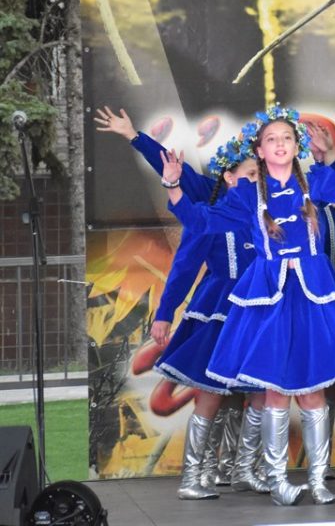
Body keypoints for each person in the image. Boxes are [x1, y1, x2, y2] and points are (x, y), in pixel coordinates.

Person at [161, 106, 335, 506]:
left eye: (287, 139)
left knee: (312, 391)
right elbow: (200, 220)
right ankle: (277, 481)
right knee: (275, 391)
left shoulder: (316, 184)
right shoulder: (246, 194)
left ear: (296, 147)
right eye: (272, 139)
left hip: (311, 296)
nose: (280, 144)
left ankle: (317, 479)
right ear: (260, 148)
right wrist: (173, 186)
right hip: (272, 297)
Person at [94, 107, 268, 498]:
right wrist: (133, 136)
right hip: (219, 305)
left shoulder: (267, 208)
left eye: (260, 175)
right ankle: (194, 475)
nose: (258, 180)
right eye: (250, 175)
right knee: (212, 389)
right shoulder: (208, 203)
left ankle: (241, 468)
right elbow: (185, 264)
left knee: (258, 388)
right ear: (228, 176)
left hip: (258, 307)